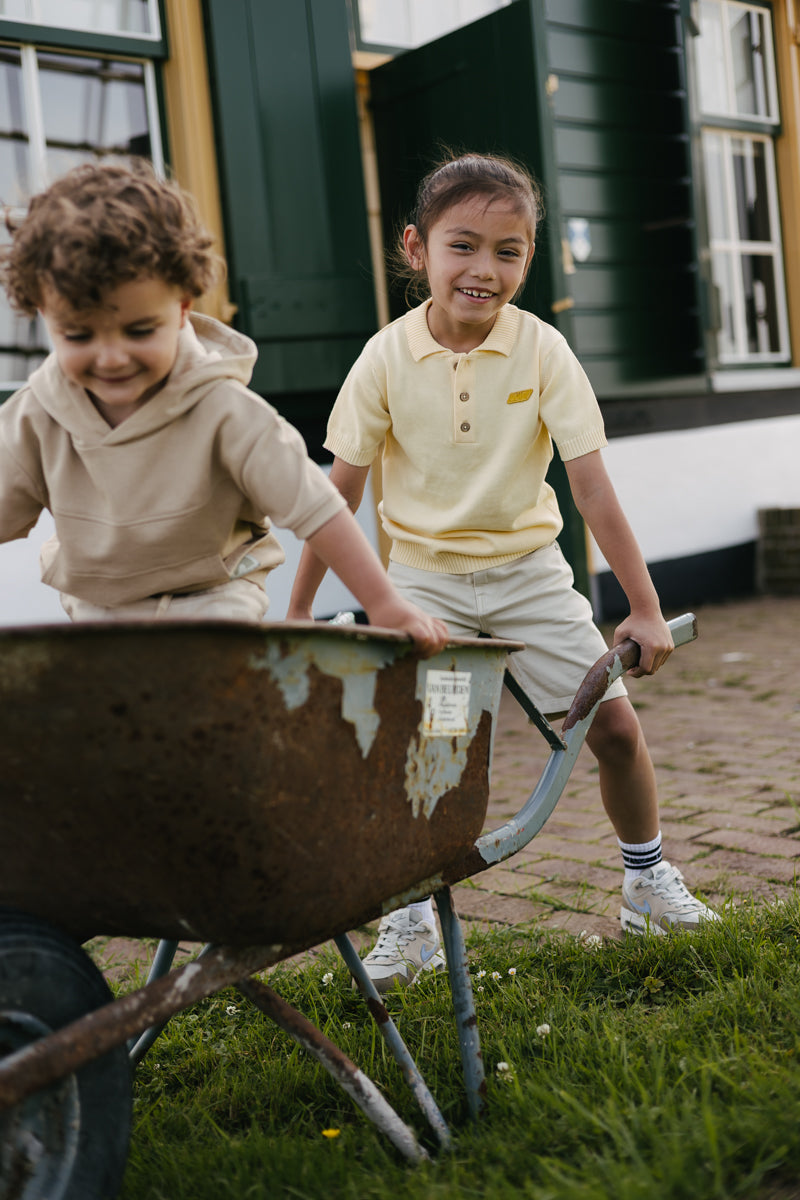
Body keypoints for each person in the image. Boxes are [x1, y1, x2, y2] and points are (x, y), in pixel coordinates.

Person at [289, 151, 718, 989]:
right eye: (464, 245)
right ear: (416, 249)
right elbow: (332, 496)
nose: (485, 269)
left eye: (509, 251)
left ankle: (646, 882)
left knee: (617, 729)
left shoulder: (543, 351)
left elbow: (590, 485)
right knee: (434, 752)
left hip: (529, 580)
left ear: (527, 259)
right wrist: (300, 610)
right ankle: (410, 923)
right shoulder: (382, 360)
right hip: (427, 591)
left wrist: (644, 607)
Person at [0, 160, 447, 654]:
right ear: (45, 313)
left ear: (184, 304)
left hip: (214, 595)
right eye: (78, 334)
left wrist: (383, 604)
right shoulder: (37, 415)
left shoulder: (224, 409)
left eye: (140, 330)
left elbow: (317, 509)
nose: (111, 357)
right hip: (98, 604)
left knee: (206, 706)